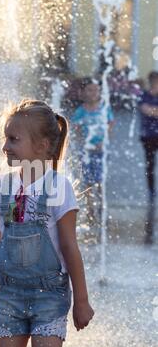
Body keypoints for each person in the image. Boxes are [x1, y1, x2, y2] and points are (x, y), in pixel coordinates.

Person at [0, 99, 94, 347]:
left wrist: (82, 300)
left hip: (48, 298)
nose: (5, 147)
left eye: (14, 139)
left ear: (43, 146)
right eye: (5, 138)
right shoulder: (2, 187)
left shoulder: (58, 187)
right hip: (8, 296)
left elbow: (69, 247)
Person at [71, 78, 114, 236]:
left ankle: (101, 209)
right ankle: (90, 212)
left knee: (100, 181)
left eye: (96, 90)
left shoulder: (104, 108)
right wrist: (82, 141)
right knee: (88, 181)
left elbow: (110, 123)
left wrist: (104, 141)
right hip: (87, 151)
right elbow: (75, 128)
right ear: (83, 93)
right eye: (90, 90)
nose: (94, 93)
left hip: (101, 150)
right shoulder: (80, 111)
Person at [139, 71, 158, 244]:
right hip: (148, 135)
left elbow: (150, 110)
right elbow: (144, 109)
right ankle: (151, 190)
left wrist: (152, 111)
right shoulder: (144, 95)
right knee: (149, 164)